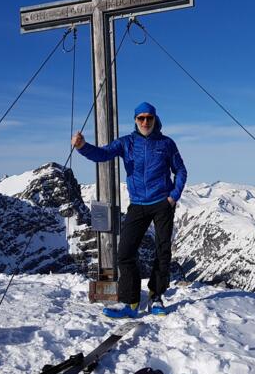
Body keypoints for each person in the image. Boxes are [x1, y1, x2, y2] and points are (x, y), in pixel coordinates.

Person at [72, 101, 187, 318]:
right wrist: (82, 147)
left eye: (149, 118)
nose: (145, 122)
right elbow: (102, 154)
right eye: (141, 118)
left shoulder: (166, 143)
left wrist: (173, 196)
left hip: (162, 203)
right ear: (135, 121)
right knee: (125, 253)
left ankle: (156, 295)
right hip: (138, 205)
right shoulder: (126, 143)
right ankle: (131, 301)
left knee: (163, 252)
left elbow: (180, 170)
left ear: (155, 120)